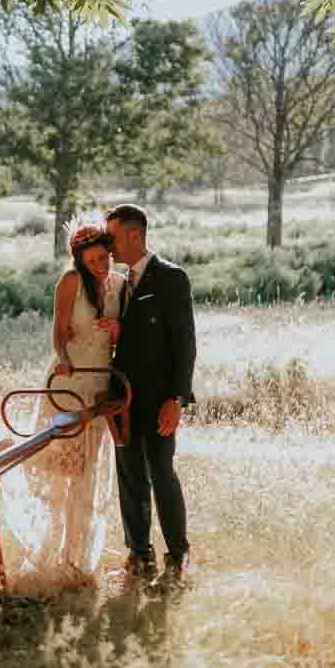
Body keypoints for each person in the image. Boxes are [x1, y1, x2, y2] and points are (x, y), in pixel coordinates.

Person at [0, 222, 122, 592]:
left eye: (105, 257)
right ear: (80, 260)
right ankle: (48, 553)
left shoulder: (119, 283)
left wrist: (115, 328)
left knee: (87, 474)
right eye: (93, 260)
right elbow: (58, 331)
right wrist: (64, 357)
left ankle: (78, 559)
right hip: (69, 379)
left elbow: (123, 331)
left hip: (100, 378)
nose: (101, 264)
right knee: (61, 472)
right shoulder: (70, 282)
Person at [105, 202, 196, 594]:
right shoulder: (121, 284)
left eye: (113, 237)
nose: (109, 247)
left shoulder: (171, 278)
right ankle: (140, 555)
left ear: (135, 235)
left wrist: (177, 398)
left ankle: (177, 557)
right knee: (129, 478)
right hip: (123, 402)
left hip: (160, 401)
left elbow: (185, 343)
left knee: (162, 475)